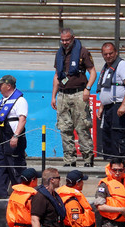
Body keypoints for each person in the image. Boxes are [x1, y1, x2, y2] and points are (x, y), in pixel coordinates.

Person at [51, 28, 97, 167]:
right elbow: (57, 76)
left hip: (79, 94)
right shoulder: (59, 53)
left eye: (67, 40)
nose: (64, 42)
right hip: (63, 95)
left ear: (73, 38)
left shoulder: (82, 52)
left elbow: (93, 72)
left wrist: (87, 89)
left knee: (82, 127)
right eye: (62, 40)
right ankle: (69, 160)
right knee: (65, 128)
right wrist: (53, 96)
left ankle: (88, 159)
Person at [0, 75, 29, 199]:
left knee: (15, 164)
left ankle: (21, 193)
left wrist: (15, 136)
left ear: (9, 86)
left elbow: (22, 119)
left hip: (13, 135)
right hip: (2, 135)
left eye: (1, 85)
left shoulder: (20, 101)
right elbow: (1, 118)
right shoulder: (4, 100)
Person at [96, 42, 125, 160]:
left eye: (111, 53)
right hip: (108, 107)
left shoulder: (122, 65)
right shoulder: (106, 67)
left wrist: (123, 105)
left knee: (120, 135)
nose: (108, 56)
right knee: (108, 136)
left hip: (118, 106)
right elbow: (106, 88)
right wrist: (102, 106)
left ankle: (124, 164)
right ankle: (111, 164)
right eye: (105, 54)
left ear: (116, 52)